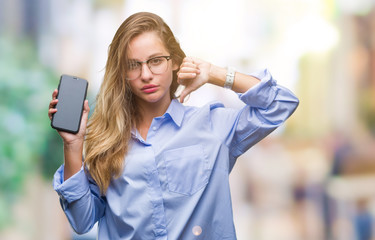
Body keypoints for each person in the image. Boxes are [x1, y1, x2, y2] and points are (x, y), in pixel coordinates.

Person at [48, 12, 299, 240]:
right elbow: (81, 222)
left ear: (176, 61)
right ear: (123, 73)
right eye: (133, 65)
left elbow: (281, 103)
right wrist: (72, 145)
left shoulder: (212, 126)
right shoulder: (106, 140)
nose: (146, 74)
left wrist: (214, 74)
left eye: (156, 61)